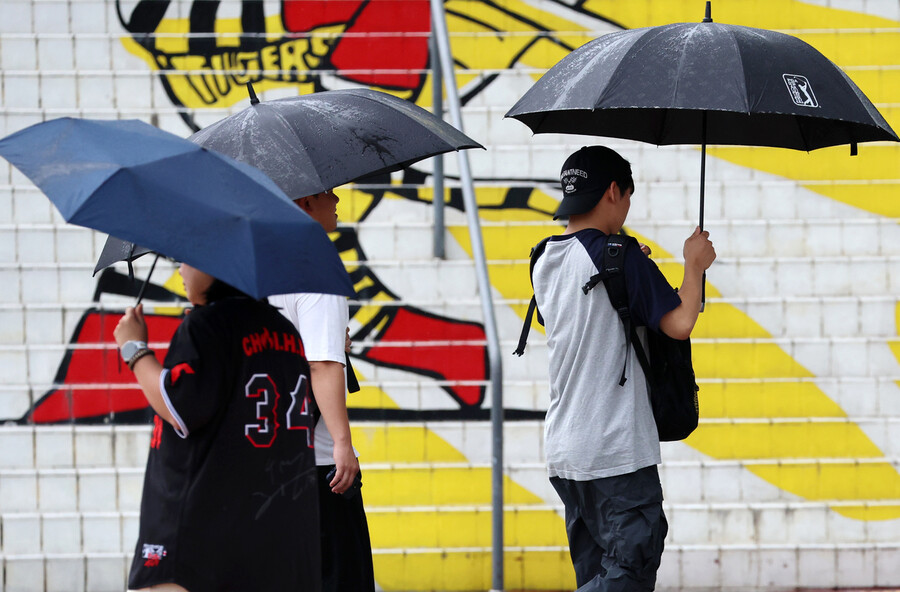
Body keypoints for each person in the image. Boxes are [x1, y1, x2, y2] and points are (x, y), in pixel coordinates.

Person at [532, 146, 716, 591]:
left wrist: (634, 267)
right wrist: (694, 263)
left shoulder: (544, 258)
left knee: (598, 574)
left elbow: (587, 313)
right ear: (614, 191)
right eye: (628, 197)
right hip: (615, 450)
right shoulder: (621, 254)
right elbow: (680, 322)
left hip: (566, 452)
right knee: (631, 570)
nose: (627, 209)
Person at [116, 263, 321, 592]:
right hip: (276, 530)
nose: (180, 269)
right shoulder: (286, 332)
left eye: (187, 259)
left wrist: (134, 349)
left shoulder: (206, 325)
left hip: (201, 532)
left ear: (217, 266)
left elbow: (178, 406)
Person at [268, 188, 376, 592]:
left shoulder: (265, 268)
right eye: (325, 191)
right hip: (320, 464)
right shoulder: (317, 269)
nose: (336, 197)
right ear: (304, 202)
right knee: (342, 579)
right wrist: (344, 445)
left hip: (273, 456)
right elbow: (322, 364)